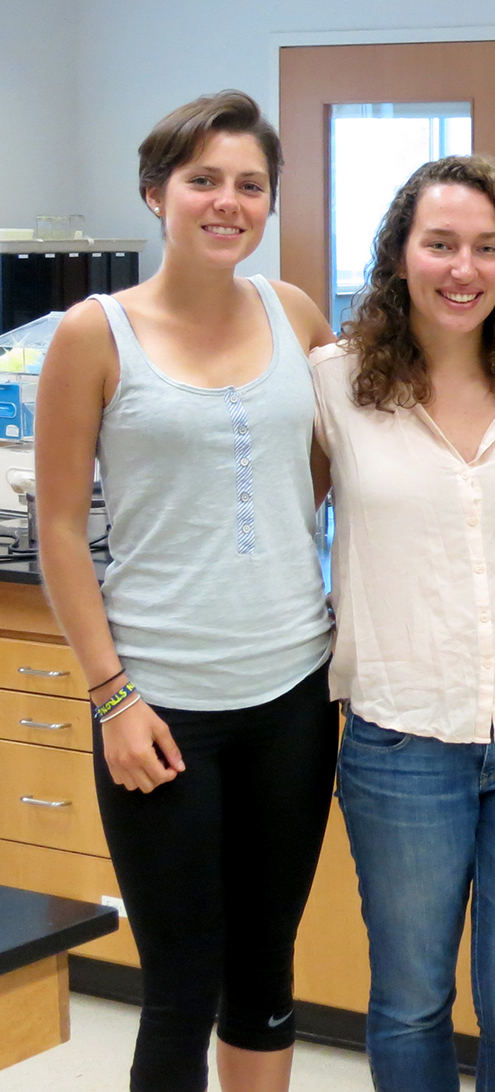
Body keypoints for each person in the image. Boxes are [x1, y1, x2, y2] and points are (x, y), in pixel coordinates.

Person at [35, 90, 338, 1092]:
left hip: (292, 695)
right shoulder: (93, 333)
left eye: (250, 184)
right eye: (203, 179)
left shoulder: (293, 313)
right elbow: (61, 531)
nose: (227, 201)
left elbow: (331, 464)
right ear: (155, 192)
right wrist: (111, 694)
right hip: (160, 707)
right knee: (180, 984)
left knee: (263, 971)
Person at [310, 155, 495, 1092]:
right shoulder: (336, 385)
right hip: (400, 738)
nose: (462, 269)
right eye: (439, 244)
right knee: (409, 1002)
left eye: (486, 248)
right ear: (400, 255)